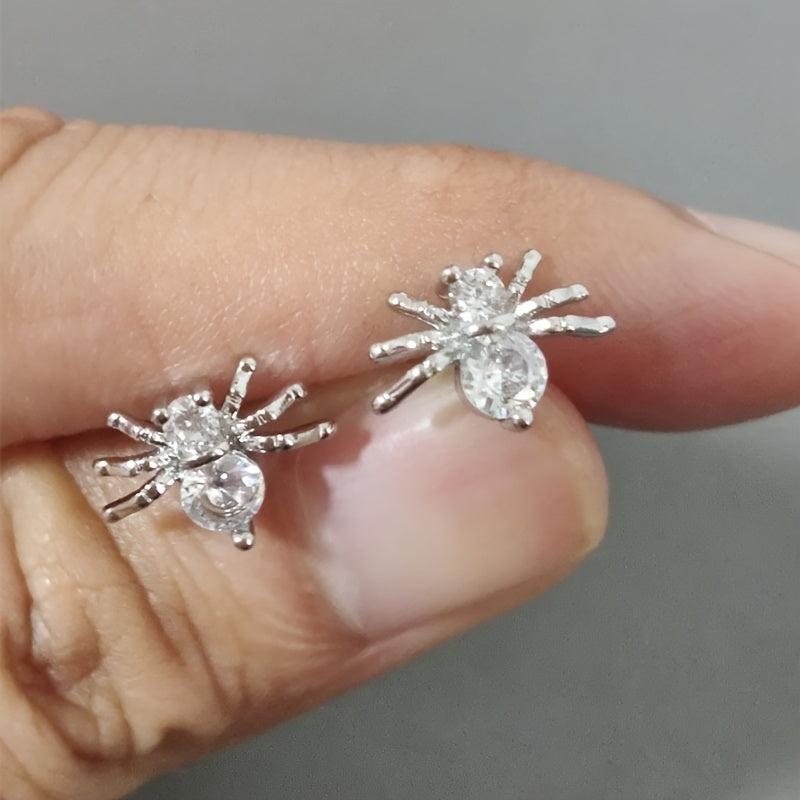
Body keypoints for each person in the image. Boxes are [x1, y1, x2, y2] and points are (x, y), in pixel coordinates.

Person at [1, 106, 799, 800]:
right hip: (264, 469)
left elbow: (456, 341)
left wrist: (507, 334)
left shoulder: (468, 319)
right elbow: (339, 386)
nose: (473, 298)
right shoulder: (223, 429)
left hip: (490, 374)